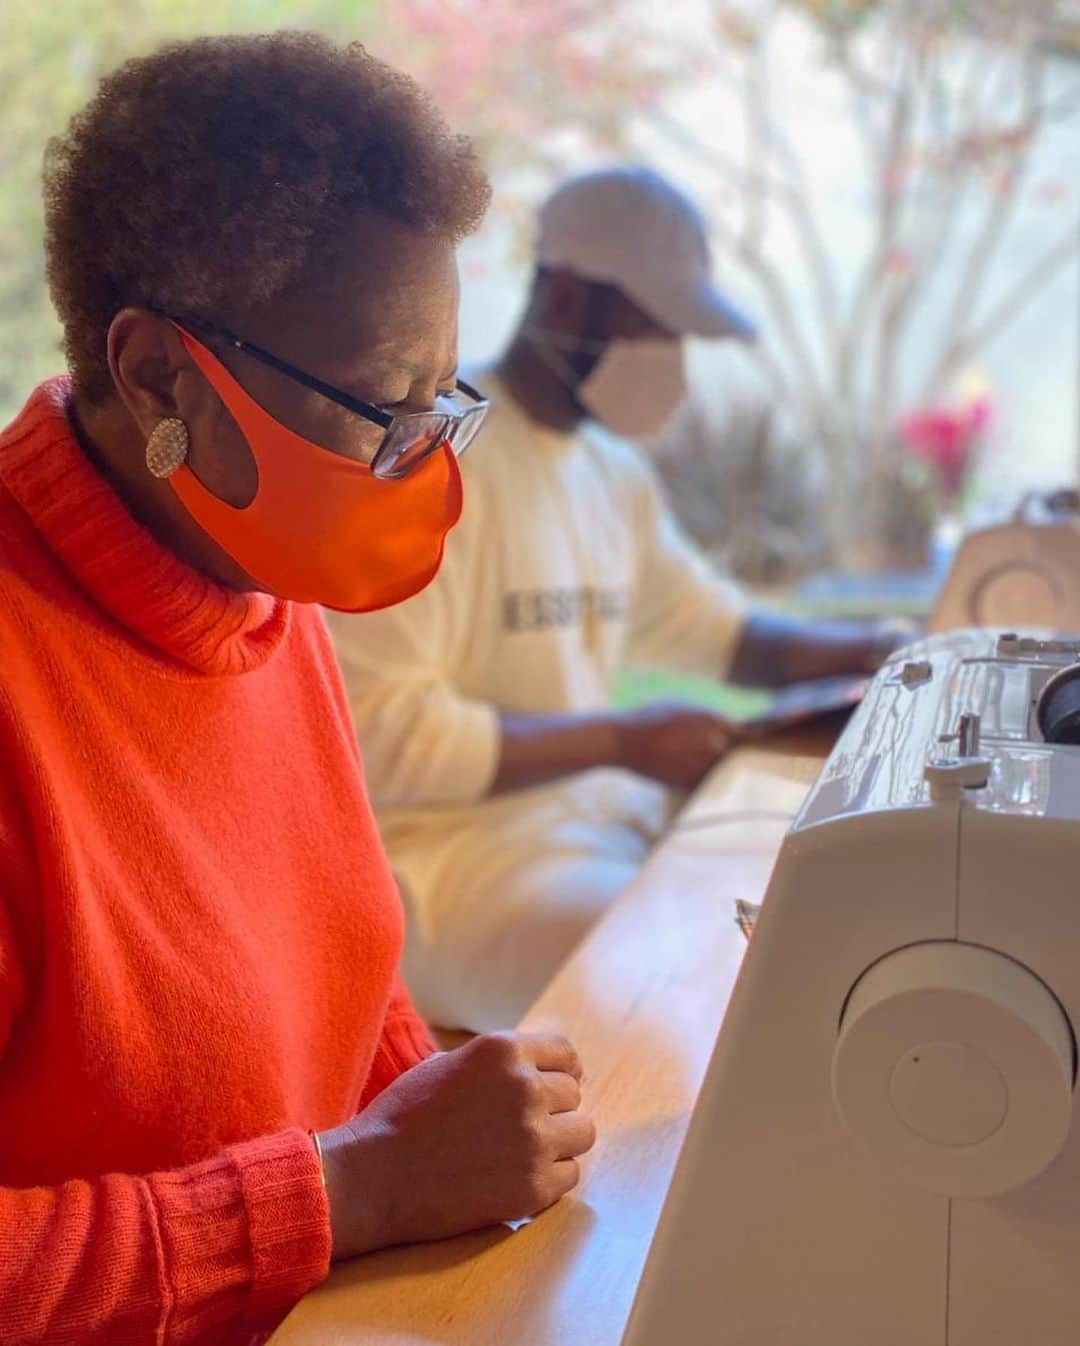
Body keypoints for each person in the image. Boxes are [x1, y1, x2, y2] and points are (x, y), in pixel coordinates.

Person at [0, 34, 595, 1346]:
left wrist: (426, 1094)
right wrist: (360, 1186)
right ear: (162, 376)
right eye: (388, 405)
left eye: (445, 401)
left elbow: (327, 965)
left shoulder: (252, 578)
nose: (425, 464)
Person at [327, 167, 909, 1033]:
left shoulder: (612, 475)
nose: (674, 361)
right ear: (567, 298)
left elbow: (719, 635)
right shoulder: (428, 469)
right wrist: (623, 739)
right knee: (696, 977)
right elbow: (378, 734)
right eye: (660, 330)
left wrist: (886, 648)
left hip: (595, 821)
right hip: (452, 866)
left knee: (819, 894)